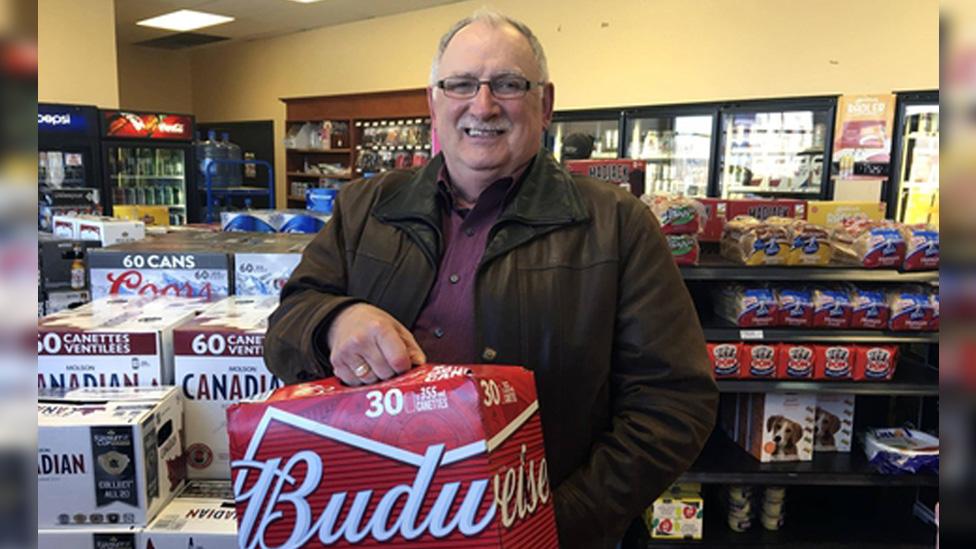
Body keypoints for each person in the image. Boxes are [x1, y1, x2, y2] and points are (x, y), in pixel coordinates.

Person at [264, 9, 717, 548]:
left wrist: (551, 524)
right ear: (433, 101)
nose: (482, 105)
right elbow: (285, 328)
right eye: (460, 84)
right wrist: (333, 321)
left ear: (544, 104)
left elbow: (674, 404)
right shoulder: (366, 206)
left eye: (507, 84)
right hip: (372, 521)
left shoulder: (617, 225)